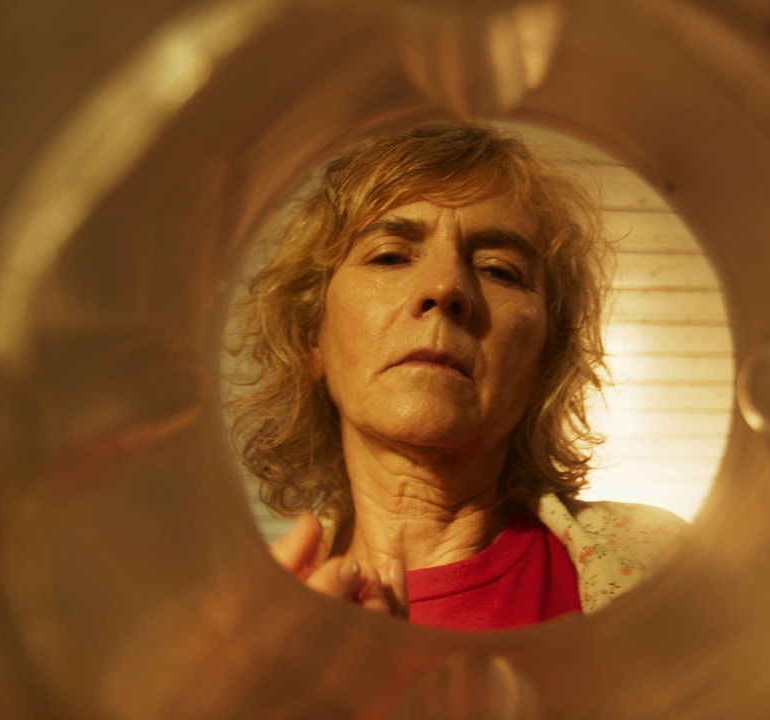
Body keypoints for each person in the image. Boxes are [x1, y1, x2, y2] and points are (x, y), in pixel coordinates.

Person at [230, 122, 684, 631]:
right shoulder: (239, 625)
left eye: (499, 270)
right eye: (389, 257)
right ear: (312, 338)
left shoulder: (670, 570)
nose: (446, 287)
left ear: (546, 360)